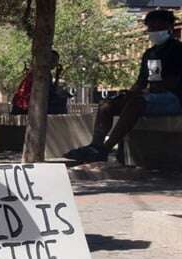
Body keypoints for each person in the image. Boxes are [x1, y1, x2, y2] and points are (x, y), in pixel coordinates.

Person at [66, 10, 182, 163]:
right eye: (150, 28)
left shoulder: (177, 50)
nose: (152, 31)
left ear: (168, 27)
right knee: (106, 105)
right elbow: (143, 81)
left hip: (173, 98)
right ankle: (95, 145)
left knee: (136, 103)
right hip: (152, 95)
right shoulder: (150, 53)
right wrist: (129, 93)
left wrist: (143, 93)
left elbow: (173, 82)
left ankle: (105, 149)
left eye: (156, 28)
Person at [12, 50, 70, 115]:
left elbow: (51, 91)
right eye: (53, 60)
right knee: (62, 102)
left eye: (56, 61)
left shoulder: (39, 71)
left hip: (25, 105)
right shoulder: (43, 73)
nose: (55, 63)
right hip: (26, 107)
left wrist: (57, 75)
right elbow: (51, 93)